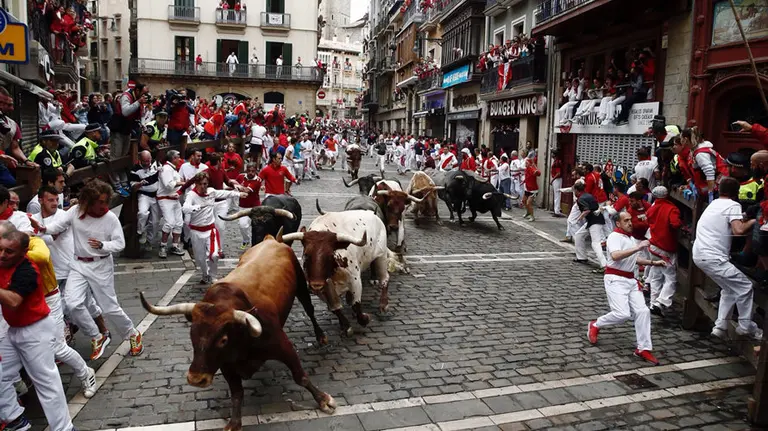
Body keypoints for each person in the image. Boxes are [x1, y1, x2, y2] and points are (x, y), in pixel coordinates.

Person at [38, 180, 145, 360]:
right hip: (78, 264)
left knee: (109, 308)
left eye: (106, 201)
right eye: (100, 202)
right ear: (88, 200)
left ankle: (132, 333)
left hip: (101, 265)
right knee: (72, 303)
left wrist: (103, 245)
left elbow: (120, 243)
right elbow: (59, 226)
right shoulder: (75, 211)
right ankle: (97, 336)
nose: (105, 206)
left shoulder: (109, 218)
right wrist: (43, 228)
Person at [0, 226, 75, 431]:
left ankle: (64, 428)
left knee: (45, 381)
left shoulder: (28, 269)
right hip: (13, 329)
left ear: (23, 253)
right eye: (0, 250)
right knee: (1, 374)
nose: (2, 255)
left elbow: (14, 300)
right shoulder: (2, 264)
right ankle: (15, 418)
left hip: (35, 330)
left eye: (8, 251)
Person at [587, 211, 665, 365]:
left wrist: (653, 263)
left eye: (630, 220)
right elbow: (616, 256)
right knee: (622, 313)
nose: (630, 223)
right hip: (615, 279)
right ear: (618, 223)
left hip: (630, 280)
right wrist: (638, 247)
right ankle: (596, 324)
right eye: (626, 221)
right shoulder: (614, 237)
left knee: (643, 311)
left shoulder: (628, 238)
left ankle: (643, 348)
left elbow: (633, 259)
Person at [693, 177, 763, 341]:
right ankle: (746, 326)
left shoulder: (714, 204)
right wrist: (754, 221)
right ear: (736, 192)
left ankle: (720, 327)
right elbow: (738, 230)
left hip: (699, 254)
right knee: (745, 287)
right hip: (714, 257)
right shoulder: (733, 205)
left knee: (729, 289)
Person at [183, 172, 245, 284]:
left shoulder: (211, 192)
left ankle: (212, 275)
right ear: (196, 184)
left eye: (205, 184)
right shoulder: (191, 195)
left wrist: (238, 195)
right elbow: (185, 208)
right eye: (201, 184)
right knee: (200, 259)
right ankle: (205, 274)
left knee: (214, 255)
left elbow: (223, 193)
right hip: (196, 231)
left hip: (210, 230)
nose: (203, 187)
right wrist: (195, 207)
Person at [645, 186, 681, 317]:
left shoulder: (652, 209)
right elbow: (675, 224)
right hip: (666, 247)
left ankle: (653, 303)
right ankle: (662, 301)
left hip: (653, 245)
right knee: (670, 276)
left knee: (656, 275)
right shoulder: (672, 208)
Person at [108, 82, 148, 193]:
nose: (144, 96)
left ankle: (124, 182)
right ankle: (116, 184)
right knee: (116, 157)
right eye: (143, 93)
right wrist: (138, 102)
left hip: (127, 129)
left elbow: (140, 114)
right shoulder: (126, 96)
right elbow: (125, 112)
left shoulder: (138, 99)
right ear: (138, 91)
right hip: (118, 130)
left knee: (123, 156)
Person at [157, 150, 186, 258]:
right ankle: (162, 246)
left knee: (179, 223)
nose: (179, 160)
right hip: (165, 199)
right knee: (169, 223)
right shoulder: (166, 169)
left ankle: (174, 245)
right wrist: (182, 183)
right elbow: (168, 185)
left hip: (175, 199)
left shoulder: (174, 170)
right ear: (173, 159)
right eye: (178, 157)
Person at [573, 181, 607, 272]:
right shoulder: (588, 195)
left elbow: (586, 210)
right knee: (579, 235)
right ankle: (581, 257)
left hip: (594, 221)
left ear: (577, 190)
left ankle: (604, 265)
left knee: (595, 243)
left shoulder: (581, 199)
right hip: (593, 220)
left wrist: (578, 218)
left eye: (574, 191)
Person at [130, 151, 160, 247]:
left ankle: (150, 241)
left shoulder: (156, 164)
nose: (147, 163)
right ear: (140, 160)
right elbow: (133, 186)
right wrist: (139, 184)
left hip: (156, 195)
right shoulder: (135, 170)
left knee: (155, 221)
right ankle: (141, 231)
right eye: (144, 161)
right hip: (144, 195)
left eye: (148, 161)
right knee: (143, 213)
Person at [236, 163, 262, 248]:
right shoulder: (240, 177)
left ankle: (256, 244)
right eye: (249, 171)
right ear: (246, 170)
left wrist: (238, 187)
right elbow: (233, 184)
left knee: (257, 227)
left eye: (253, 171)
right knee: (242, 225)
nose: (251, 173)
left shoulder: (258, 180)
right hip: (243, 206)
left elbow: (247, 190)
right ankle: (246, 240)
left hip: (255, 207)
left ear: (256, 171)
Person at [523, 157, 540, 221]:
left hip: (533, 190)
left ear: (529, 163)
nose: (525, 164)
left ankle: (532, 217)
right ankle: (528, 212)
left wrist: (535, 167)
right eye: (525, 163)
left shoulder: (531, 169)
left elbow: (538, 173)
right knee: (524, 201)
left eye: (526, 163)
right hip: (527, 188)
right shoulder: (526, 169)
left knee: (528, 203)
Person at [550, 150, 564, 217]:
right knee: (556, 195)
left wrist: (552, 180)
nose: (551, 155)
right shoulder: (556, 161)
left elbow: (558, 173)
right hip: (556, 179)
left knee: (557, 195)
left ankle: (557, 211)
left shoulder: (557, 162)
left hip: (557, 179)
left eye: (552, 154)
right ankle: (556, 210)